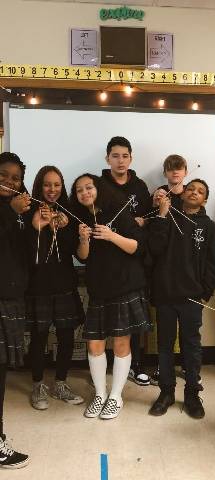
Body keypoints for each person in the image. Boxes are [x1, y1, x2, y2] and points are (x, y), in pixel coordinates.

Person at [71, 174, 151, 419]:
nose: (85, 192)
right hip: (98, 290)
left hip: (124, 287)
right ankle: (100, 394)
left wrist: (111, 236)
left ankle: (115, 396)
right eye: (79, 190)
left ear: (98, 188)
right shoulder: (81, 219)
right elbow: (83, 256)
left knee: (120, 343)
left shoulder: (118, 211)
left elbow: (138, 247)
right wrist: (84, 239)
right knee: (94, 345)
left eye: (89, 187)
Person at [148, 179, 215, 419]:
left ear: (205, 200)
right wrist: (161, 215)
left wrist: (205, 293)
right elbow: (155, 248)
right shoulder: (168, 216)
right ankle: (166, 392)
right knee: (165, 346)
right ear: (182, 193)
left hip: (192, 298)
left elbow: (212, 263)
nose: (194, 193)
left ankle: (192, 393)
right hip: (166, 295)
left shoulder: (208, 226)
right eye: (190, 189)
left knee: (191, 346)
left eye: (200, 191)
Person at [26, 166, 84, 411]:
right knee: (39, 338)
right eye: (47, 184)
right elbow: (27, 254)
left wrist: (68, 226)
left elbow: (76, 252)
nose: (52, 189)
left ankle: (60, 382)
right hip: (38, 285)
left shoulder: (69, 212)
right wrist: (37, 227)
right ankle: (38, 384)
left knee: (66, 336)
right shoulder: (29, 211)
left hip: (64, 284)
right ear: (40, 185)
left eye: (57, 184)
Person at [101, 136, 152, 386]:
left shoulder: (140, 187)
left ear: (131, 158)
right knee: (108, 318)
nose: (120, 161)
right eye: (115, 156)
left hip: (133, 258)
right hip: (107, 260)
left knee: (133, 318)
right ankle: (111, 364)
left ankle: (137, 364)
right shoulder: (99, 184)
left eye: (124, 156)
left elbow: (147, 220)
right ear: (107, 158)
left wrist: (142, 222)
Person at [0, 152, 30, 468]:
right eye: (5, 175)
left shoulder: (18, 210)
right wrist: (11, 211)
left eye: (16, 178)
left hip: (11, 298)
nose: (10, 181)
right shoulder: (9, 209)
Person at [150, 154, 189, 385]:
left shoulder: (191, 193)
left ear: (185, 171)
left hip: (186, 269)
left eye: (179, 169)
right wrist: (155, 207)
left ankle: (187, 366)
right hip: (163, 269)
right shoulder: (158, 195)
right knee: (164, 330)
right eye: (171, 169)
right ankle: (163, 368)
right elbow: (150, 229)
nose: (175, 173)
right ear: (165, 172)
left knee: (188, 330)